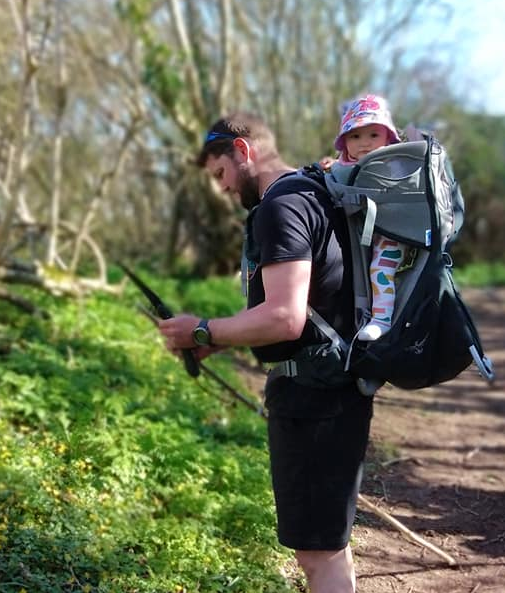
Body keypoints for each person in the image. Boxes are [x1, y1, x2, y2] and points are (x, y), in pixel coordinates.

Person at [157, 112, 372, 593]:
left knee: (316, 553)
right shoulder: (314, 192)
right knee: (328, 544)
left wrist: (202, 329)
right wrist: (213, 338)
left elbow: (284, 317)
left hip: (314, 398)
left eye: (220, 175)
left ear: (243, 151)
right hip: (334, 389)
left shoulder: (281, 208)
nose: (223, 190)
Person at [326, 94, 405, 342]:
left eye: (374, 135)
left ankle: (382, 320)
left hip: (393, 231)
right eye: (355, 136)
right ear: (344, 141)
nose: (365, 144)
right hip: (360, 233)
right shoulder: (343, 164)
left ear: (388, 138)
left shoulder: (394, 162)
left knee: (380, 269)